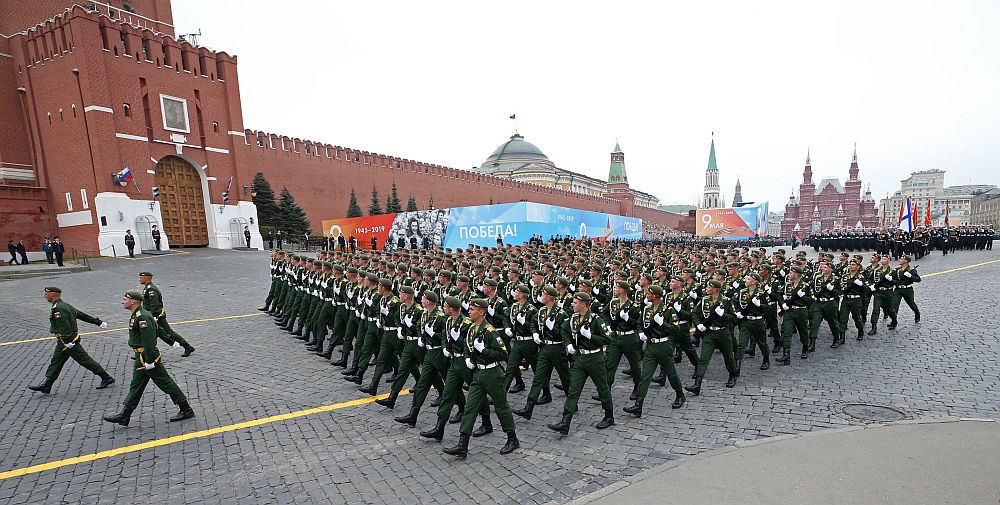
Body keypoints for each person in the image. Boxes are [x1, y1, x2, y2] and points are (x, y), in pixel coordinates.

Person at [103, 291, 194, 426]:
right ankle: (125, 415)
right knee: (136, 386)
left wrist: (150, 360)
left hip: (147, 356)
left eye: (124, 299)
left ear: (133, 301)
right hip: (141, 356)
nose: (122, 301)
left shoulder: (142, 317)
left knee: (166, 383)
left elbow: (149, 341)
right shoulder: (138, 315)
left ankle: (186, 409)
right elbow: (157, 331)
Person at [443, 298, 519, 458]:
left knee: (501, 407)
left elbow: (503, 354)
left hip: (492, 374)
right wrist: (467, 359)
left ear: (481, 312)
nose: (468, 311)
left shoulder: (490, 332)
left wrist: (484, 351)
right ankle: (462, 445)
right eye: (469, 309)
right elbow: (466, 346)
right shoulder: (472, 329)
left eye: (472, 309)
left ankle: (512, 438)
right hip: (478, 374)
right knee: (470, 408)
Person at [547, 292, 615, 436]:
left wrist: (591, 336)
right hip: (580, 358)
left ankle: (609, 416)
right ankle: (565, 422)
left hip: (595, 358)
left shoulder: (596, 320)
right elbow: (564, 330)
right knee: (573, 390)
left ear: (584, 304)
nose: (572, 304)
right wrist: (568, 344)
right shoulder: (573, 319)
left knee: (602, 388)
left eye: (575, 303)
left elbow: (608, 339)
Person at [28, 287, 115, 394]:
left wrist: (67, 341)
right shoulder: (65, 305)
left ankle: (106, 377)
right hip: (65, 341)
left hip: (68, 341)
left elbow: (64, 326)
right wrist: (98, 322)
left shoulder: (58, 308)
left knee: (85, 360)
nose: (44, 296)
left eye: (46, 294)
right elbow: (81, 315)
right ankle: (47, 385)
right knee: (56, 361)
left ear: (53, 295)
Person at [685, 279, 738, 395]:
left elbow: (734, 318)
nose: (706, 289)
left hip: (723, 333)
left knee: (728, 357)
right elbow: (695, 314)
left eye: (708, 287)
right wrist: (698, 325)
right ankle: (697, 384)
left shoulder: (726, 301)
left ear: (715, 289)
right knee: (704, 358)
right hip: (709, 333)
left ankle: (733, 374)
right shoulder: (704, 300)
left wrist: (723, 315)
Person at [139, 271, 195, 356]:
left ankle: (187, 346)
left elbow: (155, 305)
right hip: (151, 315)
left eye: (141, 277)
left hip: (157, 316)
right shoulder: (148, 287)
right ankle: (143, 352)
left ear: (147, 278)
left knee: (168, 333)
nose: (139, 279)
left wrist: (153, 317)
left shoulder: (151, 289)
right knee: (149, 333)